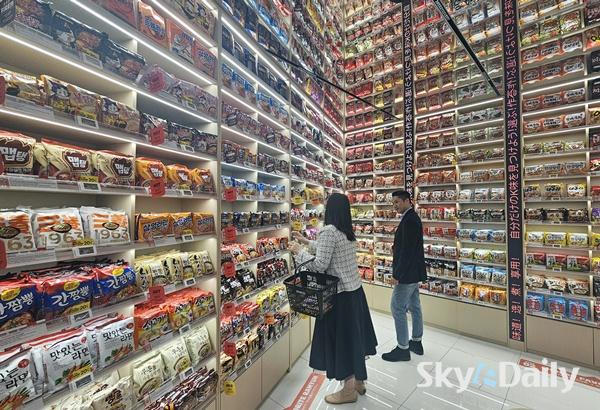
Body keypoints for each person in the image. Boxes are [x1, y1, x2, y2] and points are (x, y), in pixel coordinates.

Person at [290, 193, 378, 404]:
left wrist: (299, 251)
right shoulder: (346, 231)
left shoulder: (329, 231)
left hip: (339, 297)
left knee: (343, 342)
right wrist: (307, 241)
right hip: (355, 293)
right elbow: (330, 250)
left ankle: (348, 391)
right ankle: (358, 381)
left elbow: (320, 265)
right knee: (354, 339)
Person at [382, 190, 427, 362]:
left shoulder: (409, 220)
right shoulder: (411, 218)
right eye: (393, 203)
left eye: (397, 202)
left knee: (397, 307)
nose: (394, 206)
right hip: (414, 272)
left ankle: (402, 348)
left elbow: (407, 252)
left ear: (407, 201)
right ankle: (416, 341)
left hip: (406, 274)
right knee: (415, 306)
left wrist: (397, 274)